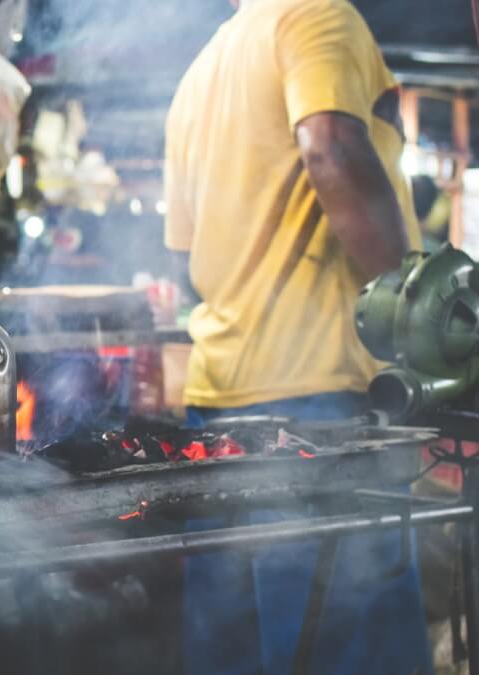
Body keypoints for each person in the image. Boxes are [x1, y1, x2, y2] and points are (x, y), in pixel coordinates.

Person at [164, 0, 431, 673]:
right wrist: (415, 311)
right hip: (317, 414)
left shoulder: (199, 75)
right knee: (346, 649)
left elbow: (187, 250)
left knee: (237, 653)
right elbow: (330, 145)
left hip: (217, 412)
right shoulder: (315, 15)